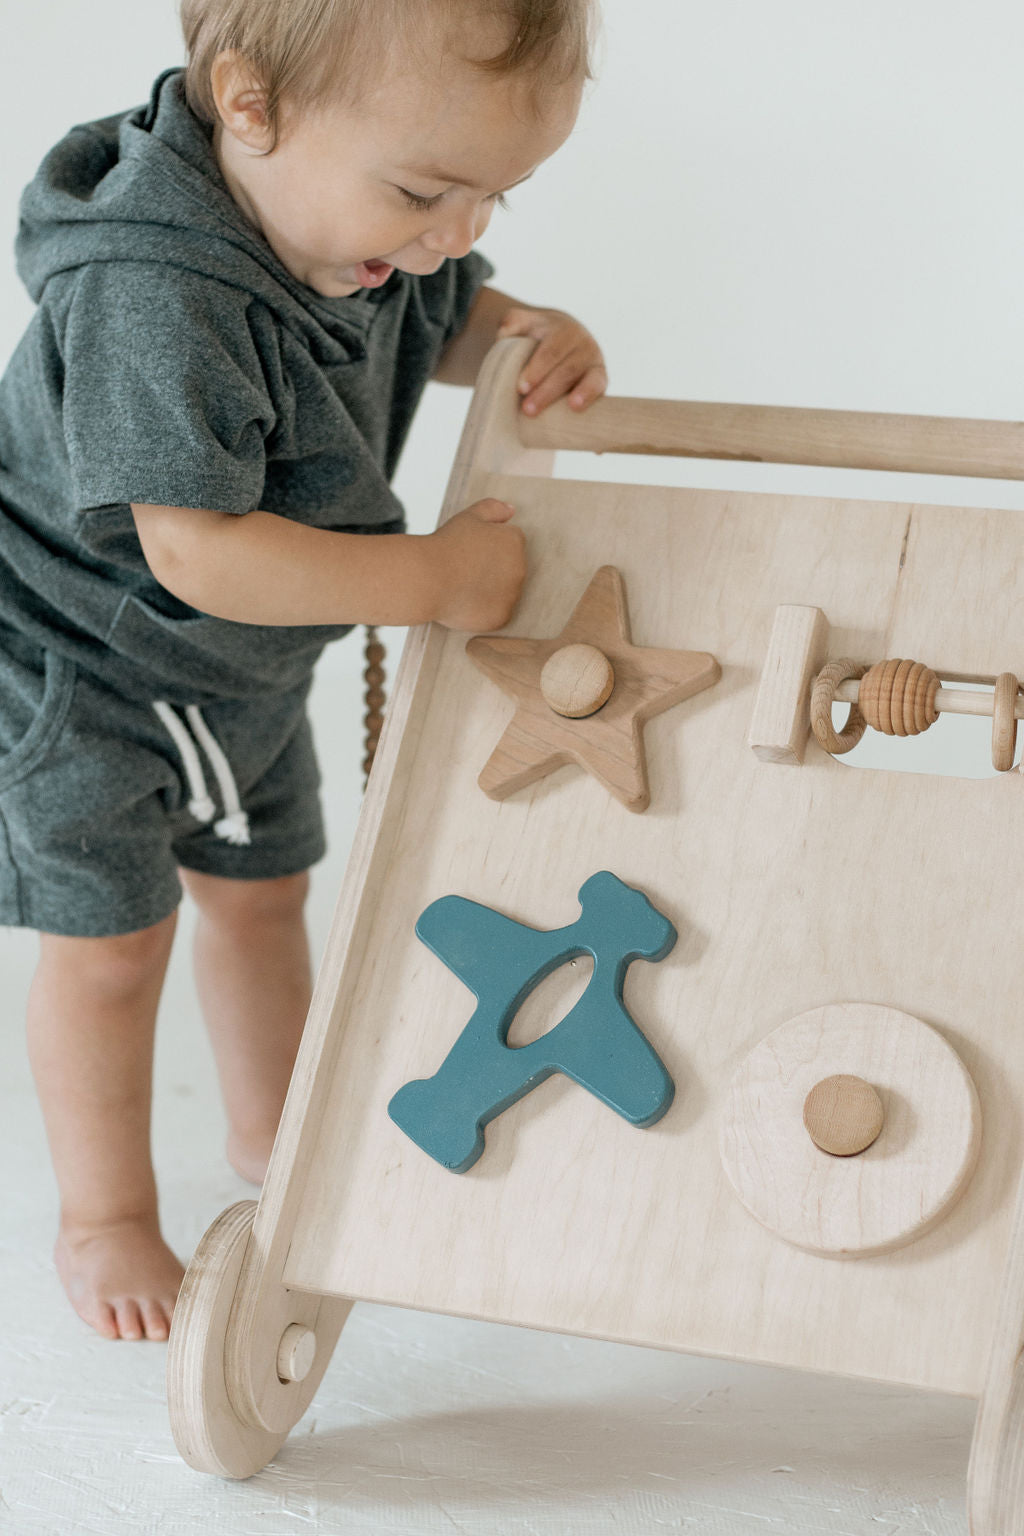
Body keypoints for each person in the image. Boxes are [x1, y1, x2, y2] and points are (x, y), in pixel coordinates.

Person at [1, 0, 606, 1343]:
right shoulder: (159, 291)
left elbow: (440, 313)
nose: (456, 235)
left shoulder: (357, 234)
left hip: (242, 665)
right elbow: (199, 549)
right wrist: (431, 582)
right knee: (110, 949)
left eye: (495, 198)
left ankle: (278, 1133)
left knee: (267, 895)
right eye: (426, 192)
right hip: (83, 665)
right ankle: (102, 1213)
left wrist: (522, 334)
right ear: (251, 103)